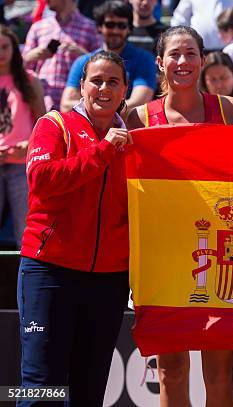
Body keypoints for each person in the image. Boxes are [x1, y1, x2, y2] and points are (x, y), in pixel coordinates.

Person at [127, 26, 233, 407]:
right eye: (174, 54)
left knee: (219, 373)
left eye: (190, 53)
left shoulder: (228, 109)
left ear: (203, 59)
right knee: (170, 371)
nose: (183, 62)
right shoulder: (137, 118)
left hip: (220, 257)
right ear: (159, 62)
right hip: (163, 260)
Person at [18, 50, 131, 406]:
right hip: (50, 270)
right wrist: (102, 151)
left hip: (109, 278)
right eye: (95, 80)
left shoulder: (132, 140)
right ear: (81, 86)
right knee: (41, 386)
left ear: (125, 89)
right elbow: (42, 180)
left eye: (113, 81)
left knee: (89, 388)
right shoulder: (54, 125)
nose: (103, 88)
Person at [61, 1, 157, 113]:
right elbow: (66, 105)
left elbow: (138, 104)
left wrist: (97, 107)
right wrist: (106, 109)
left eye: (121, 26)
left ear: (129, 29)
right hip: (87, 130)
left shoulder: (144, 59)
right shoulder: (83, 62)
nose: (115, 30)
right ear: (99, 27)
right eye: (110, 25)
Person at [0, 25, 45, 249]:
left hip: (22, 163)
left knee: (25, 231)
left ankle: (24, 281)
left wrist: (29, 145)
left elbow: (43, 123)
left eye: (5, 47)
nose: (1, 53)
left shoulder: (28, 79)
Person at [22, 0, 101, 111]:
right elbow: (19, 68)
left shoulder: (91, 28)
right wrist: (31, 56)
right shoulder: (38, 27)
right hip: (42, 104)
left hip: (75, 105)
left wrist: (84, 55)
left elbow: (103, 67)